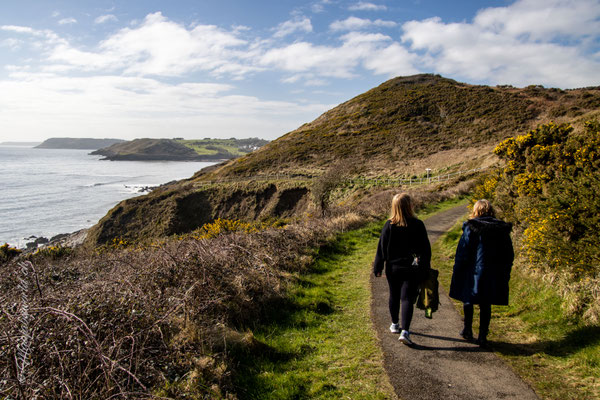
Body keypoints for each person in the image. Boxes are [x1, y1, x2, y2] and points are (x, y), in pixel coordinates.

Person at [449, 199, 514, 347]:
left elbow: (463, 250)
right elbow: (508, 252)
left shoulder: (471, 227)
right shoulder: (501, 228)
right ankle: (483, 336)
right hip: (493, 270)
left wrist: (458, 267)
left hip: (473, 269)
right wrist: (506, 269)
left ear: (476, 211)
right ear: (491, 211)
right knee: (486, 302)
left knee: (469, 298)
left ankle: (467, 329)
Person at [373, 193, 431, 345]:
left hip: (393, 267)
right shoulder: (418, 225)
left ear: (394, 207)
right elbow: (425, 249)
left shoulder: (389, 225)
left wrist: (378, 266)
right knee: (407, 298)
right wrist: (425, 268)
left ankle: (394, 324)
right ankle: (405, 331)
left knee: (394, 295)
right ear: (409, 206)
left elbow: (382, 249)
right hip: (412, 267)